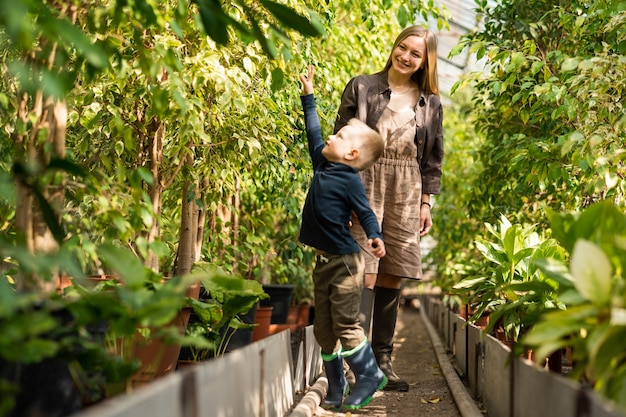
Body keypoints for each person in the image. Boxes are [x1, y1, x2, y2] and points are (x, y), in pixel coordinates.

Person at [333, 25, 444, 392]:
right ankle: (357, 362)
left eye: (416, 53)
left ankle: (383, 362)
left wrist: (426, 202)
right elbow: (340, 141)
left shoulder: (430, 103)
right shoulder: (363, 86)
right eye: (403, 48)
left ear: (425, 62)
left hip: (408, 186)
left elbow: (432, 160)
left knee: (392, 271)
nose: (406, 57)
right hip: (365, 180)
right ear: (394, 47)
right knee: (363, 267)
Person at [298, 64, 388, 411]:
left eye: (339, 137)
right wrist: (309, 97)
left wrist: (375, 236)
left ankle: (368, 374)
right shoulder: (322, 164)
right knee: (324, 331)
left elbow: (364, 213)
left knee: (347, 325)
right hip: (323, 262)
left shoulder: (350, 180)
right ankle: (335, 388)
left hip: (347, 264)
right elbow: (314, 133)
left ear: (351, 155)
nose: (330, 138)